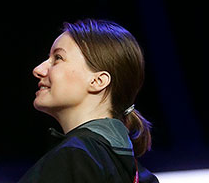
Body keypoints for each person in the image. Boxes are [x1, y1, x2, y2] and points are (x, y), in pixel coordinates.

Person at [18, 19, 159, 182]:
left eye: (58, 58)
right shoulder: (140, 174)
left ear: (98, 81)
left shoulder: (74, 158)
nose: (38, 70)